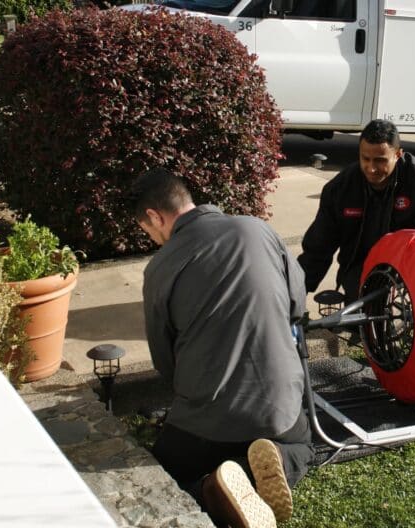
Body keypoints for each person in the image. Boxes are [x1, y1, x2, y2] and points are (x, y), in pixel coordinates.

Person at [130, 168, 313, 528]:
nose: (153, 239)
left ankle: (214, 490)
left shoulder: (161, 267)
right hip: (280, 410)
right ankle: (273, 460)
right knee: (303, 447)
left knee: (167, 472)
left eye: (148, 230)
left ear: (155, 216)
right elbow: (297, 304)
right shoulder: (259, 230)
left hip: (206, 422)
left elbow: (165, 361)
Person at [298, 119, 415, 302]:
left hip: (410, 265)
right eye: (365, 159)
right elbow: (318, 247)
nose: (371, 168)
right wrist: (296, 290)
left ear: (398, 154)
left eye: (380, 161)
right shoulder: (340, 189)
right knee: (357, 308)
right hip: (360, 266)